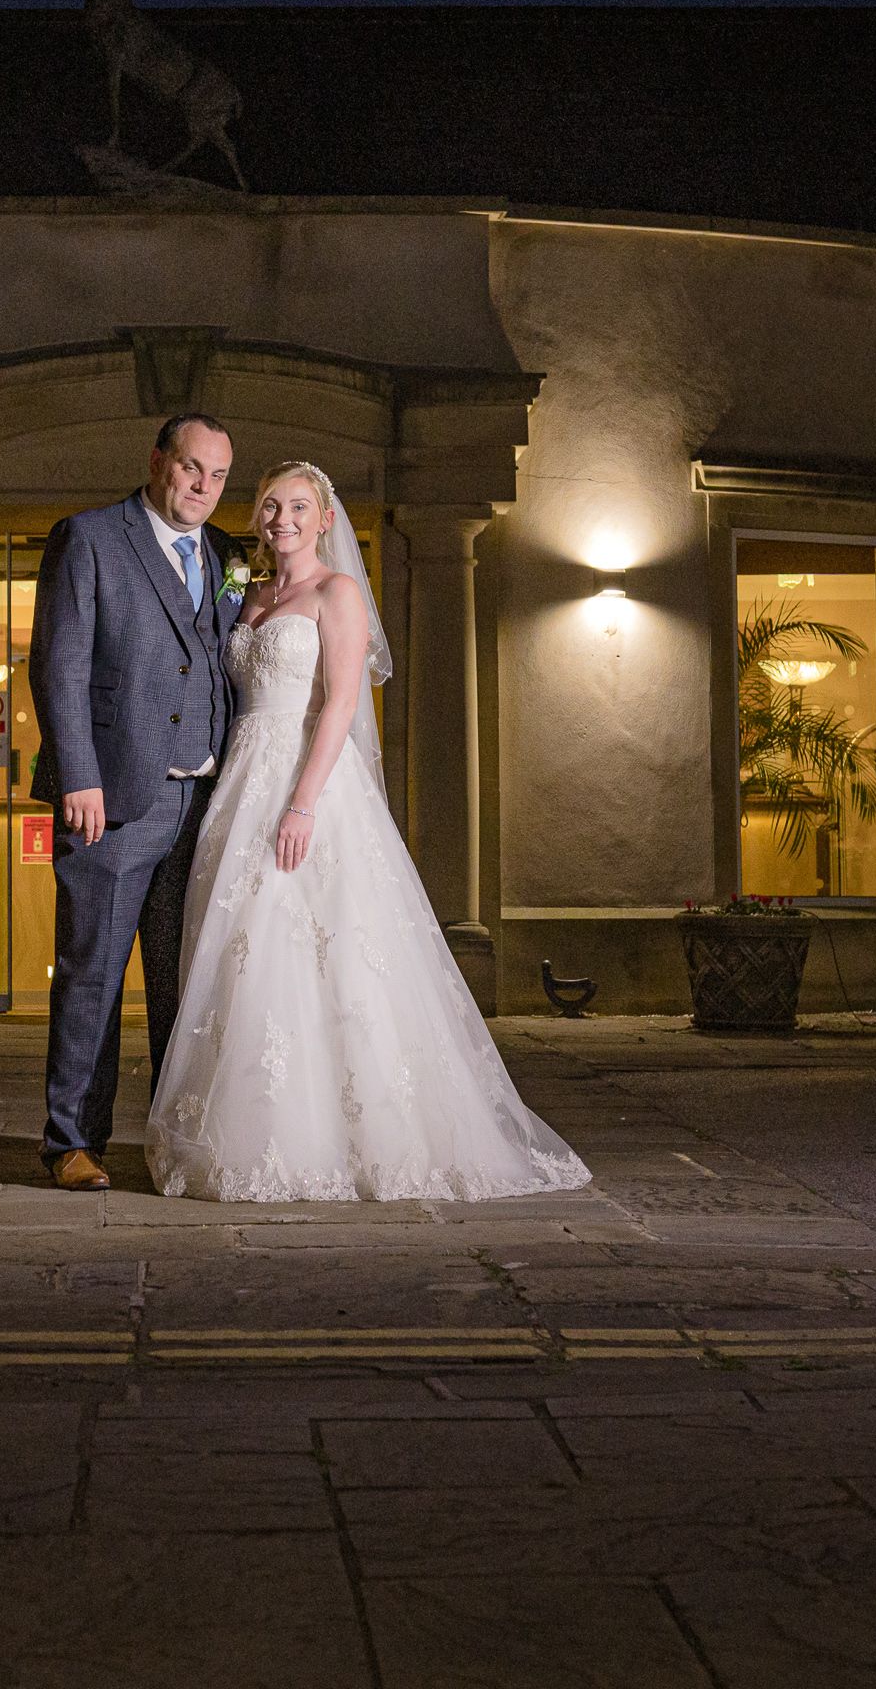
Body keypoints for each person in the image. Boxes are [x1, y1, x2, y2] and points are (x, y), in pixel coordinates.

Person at [146, 461, 592, 1202]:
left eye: (296, 507)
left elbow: (341, 703)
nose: (279, 518)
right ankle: (246, 1132)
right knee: (245, 953)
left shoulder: (338, 593)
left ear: (324, 519)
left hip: (305, 782)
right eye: (268, 506)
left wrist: (302, 804)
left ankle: (343, 1137)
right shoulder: (247, 595)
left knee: (321, 948)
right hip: (239, 787)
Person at [28, 412, 248, 1191]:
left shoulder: (227, 555)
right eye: (191, 468)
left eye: (218, 476)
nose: (202, 487)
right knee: (92, 972)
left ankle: (169, 1137)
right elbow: (58, 665)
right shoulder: (89, 538)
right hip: (115, 798)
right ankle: (72, 1143)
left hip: (205, 803)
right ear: (158, 461)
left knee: (179, 980)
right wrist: (77, 774)